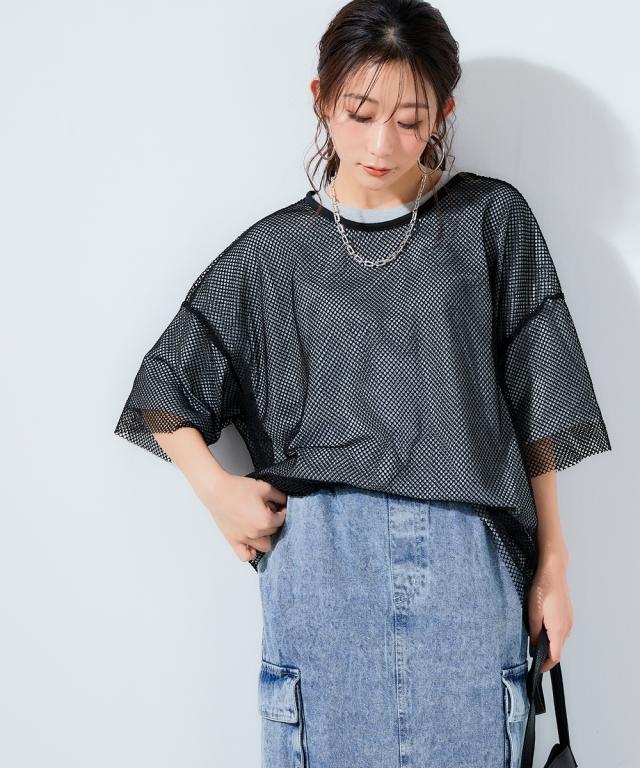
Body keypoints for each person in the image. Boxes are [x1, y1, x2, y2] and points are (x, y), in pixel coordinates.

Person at [113, 1, 611, 765]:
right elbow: (165, 385)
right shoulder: (275, 252)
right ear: (321, 98)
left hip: (467, 565)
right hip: (321, 567)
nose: (383, 144)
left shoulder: (489, 219)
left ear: (444, 113)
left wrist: (555, 562)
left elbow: (537, 403)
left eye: (411, 121)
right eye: (360, 112)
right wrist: (217, 492)